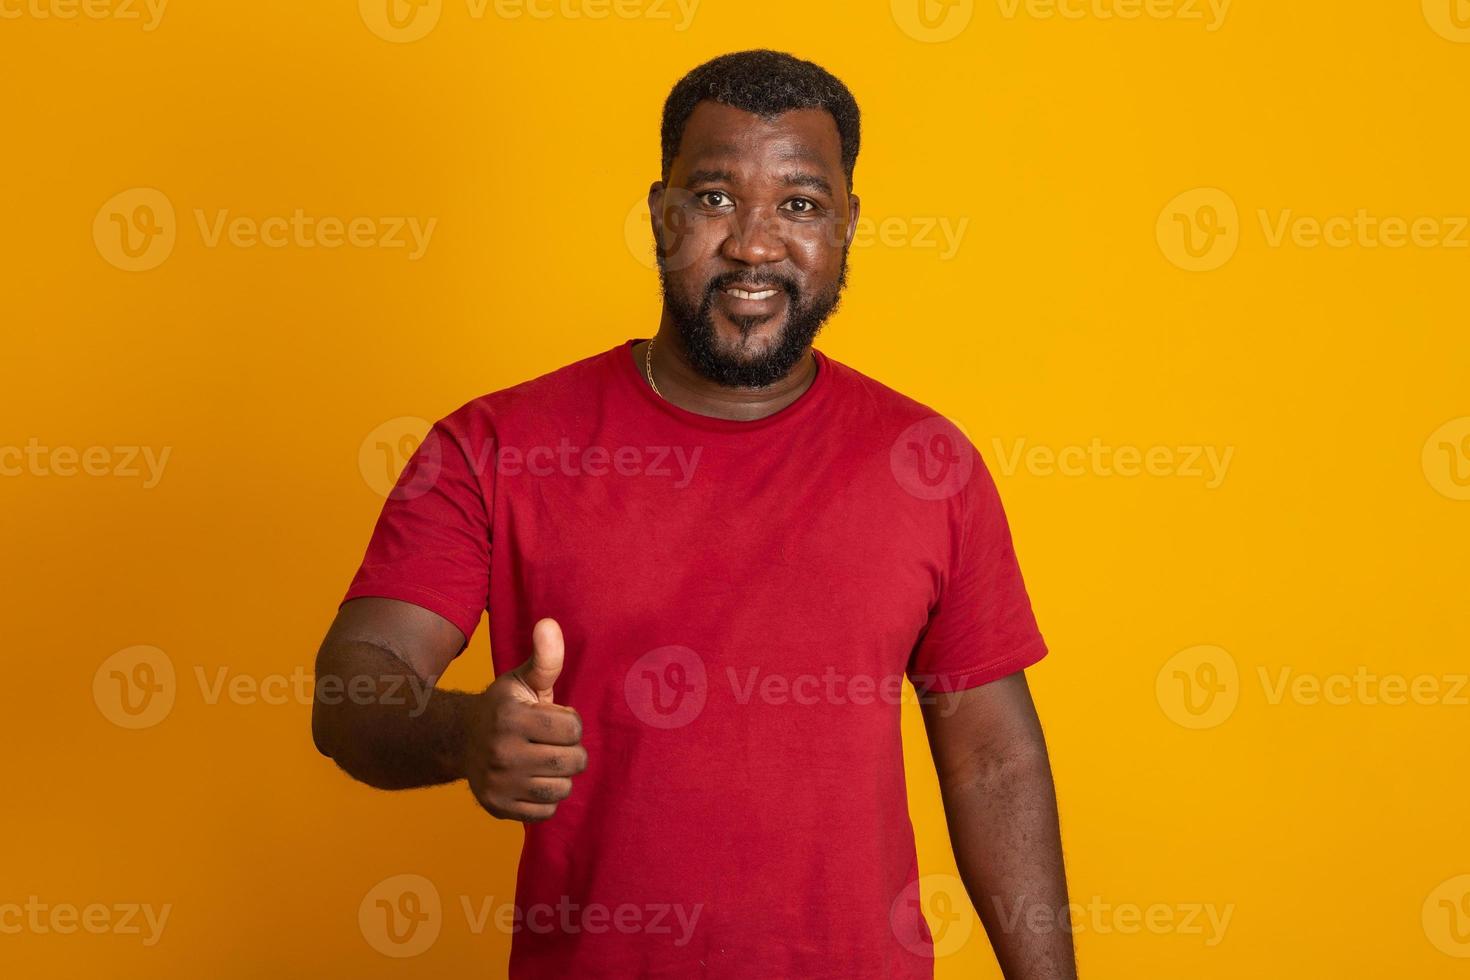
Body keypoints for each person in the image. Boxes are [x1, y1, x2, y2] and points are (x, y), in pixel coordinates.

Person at [312, 48, 1076, 980]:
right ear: (659, 213)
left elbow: (993, 760)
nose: (755, 244)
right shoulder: (496, 444)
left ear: (847, 227)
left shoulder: (928, 464)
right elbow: (356, 683)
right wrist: (463, 732)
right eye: (715, 198)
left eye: (800, 204)